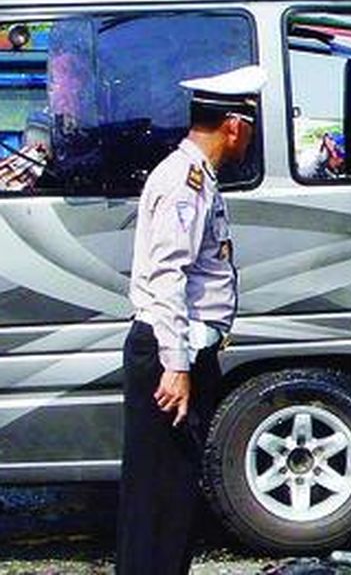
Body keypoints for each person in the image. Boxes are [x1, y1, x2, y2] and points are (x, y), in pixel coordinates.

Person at [117, 64, 266, 575]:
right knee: (158, 499)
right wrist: (176, 367)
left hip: (179, 352)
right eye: (250, 125)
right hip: (166, 356)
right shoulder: (184, 183)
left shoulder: (198, 179)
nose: (250, 137)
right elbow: (167, 278)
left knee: (174, 496)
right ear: (234, 125)